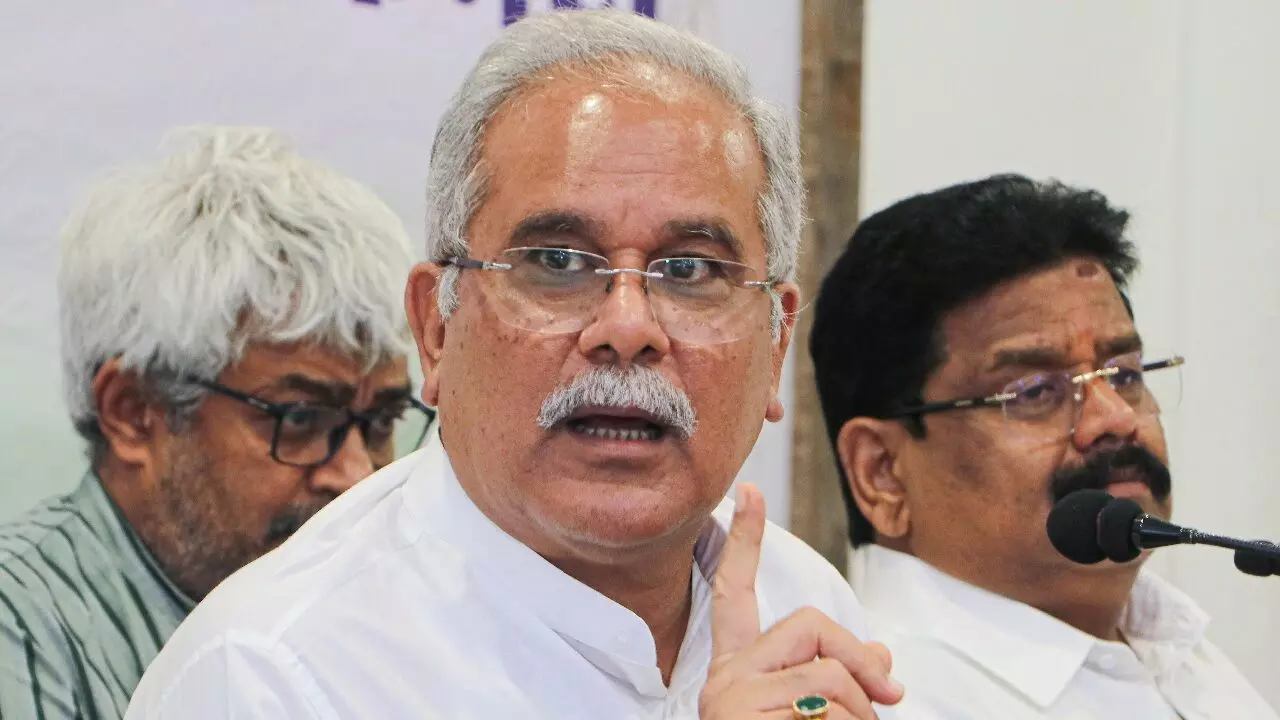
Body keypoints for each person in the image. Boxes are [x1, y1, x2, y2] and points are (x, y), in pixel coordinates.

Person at [124, 10, 904, 720]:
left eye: (690, 270)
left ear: (776, 343)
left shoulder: (799, 603)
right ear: (436, 328)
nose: (627, 328)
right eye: (557, 262)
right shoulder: (272, 674)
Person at [0, 126, 434, 719]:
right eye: (301, 418)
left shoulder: (394, 610)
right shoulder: (22, 633)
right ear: (133, 412)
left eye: (382, 421)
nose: (359, 475)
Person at [810, 174, 1277, 718]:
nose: (1115, 418)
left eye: (1124, 374)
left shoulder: (1176, 649)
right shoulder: (876, 703)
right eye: (1034, 391)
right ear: (883, 473)